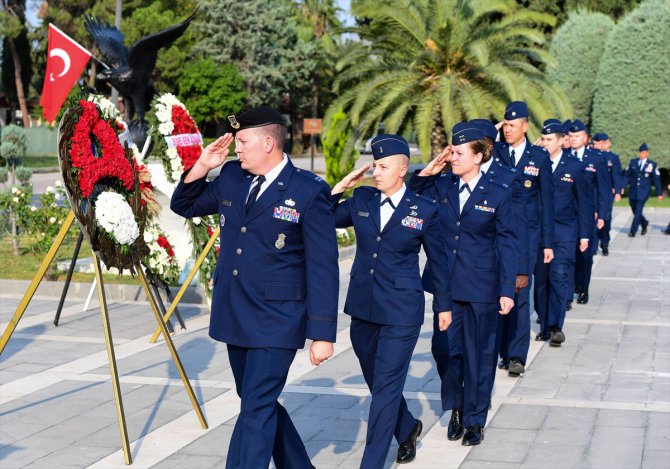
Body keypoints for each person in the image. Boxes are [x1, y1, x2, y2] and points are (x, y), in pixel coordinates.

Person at [170, 106, 339, 469]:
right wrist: (203, 165)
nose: (236, 150)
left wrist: (323, 332)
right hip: (236, 313)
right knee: (254, 399)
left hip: (279, 318)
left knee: (257, 407)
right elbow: (183, 204)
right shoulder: (232, 176)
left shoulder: (308, 191)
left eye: (242, 141)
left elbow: (323, 266)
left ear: (267, 142)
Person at [331, 134, 452, 467]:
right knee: (376, 380)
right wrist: (341, 186)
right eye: (373, 165)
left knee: (385, 388)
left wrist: (444, 305)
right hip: (363, 309)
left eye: (383, 166)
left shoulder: (423, 209)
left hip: (401, 311)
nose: (376, 171)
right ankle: (406, 426)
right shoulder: (361, 200)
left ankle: (371, 463)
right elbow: (324, 219)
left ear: (402, 169)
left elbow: (440, 261)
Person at [411, 122, 517, 446]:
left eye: (458, 153)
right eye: (451, 152)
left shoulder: (498, 190)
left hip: (483, 286)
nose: (452, 157)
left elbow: (508, 241)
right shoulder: (441, 186)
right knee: (444, 349)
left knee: (480, 354)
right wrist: (430, 169)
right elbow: (411, 196)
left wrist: (506, 289)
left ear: (479, 156)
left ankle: (474, 418)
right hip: (446, 285)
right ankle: (455, 404)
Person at [492, 102, 554, 361]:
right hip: (496, 234)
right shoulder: (494, 152)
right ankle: (503, 351)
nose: (507, 130)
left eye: (512, 125)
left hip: (525, 238)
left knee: (519, 290)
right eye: (505, 124)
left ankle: (517, 355)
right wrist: (493, 130)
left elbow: (547, 202)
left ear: (525, 126)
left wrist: (547, 243)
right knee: (497, 291)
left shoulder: (538, 157)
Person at [535, 119, 592, 346]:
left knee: (558, 276)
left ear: (561, 141)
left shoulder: (574, 166)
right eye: (544, 139)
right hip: (539, 231)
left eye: (550, 140)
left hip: (564, 231)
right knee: (540, 281)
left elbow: (584, 203)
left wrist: (585, 235)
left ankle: (555, 325)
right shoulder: (535, 162)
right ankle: (544, 325)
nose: (546, 143)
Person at [566, 119, 609, 305]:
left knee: (585, 255)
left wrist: (602, 214)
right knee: (567, 255)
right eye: (571, 136)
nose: (574, 139)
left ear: (585, 137)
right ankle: (567, 294)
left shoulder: (596, 158)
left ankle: (583, 288)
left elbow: (603, 189)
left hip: (588, 215)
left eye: (577, 136)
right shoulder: (563, 156)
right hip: (566, 215)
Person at [591, 133, 623, 255]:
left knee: (606, 219)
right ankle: (593, 246)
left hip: (606, 194)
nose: (598, 145)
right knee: (592, 220)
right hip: (593, 193)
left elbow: (616, 175)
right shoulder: (590, 156)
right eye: (596, 143)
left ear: (605, 143)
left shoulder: (612, 157)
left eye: (600, 143)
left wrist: (618, 191)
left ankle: (604, 243)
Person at [622, 143, 663, 237]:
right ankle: (644, 222)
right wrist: (622, 187)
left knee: (638, 210)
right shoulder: (633, 162)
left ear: (647, 153)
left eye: (644, 152)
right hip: (633, 191)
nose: (642, 154)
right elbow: (627, 175)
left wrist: (659, 193)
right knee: (634, 209)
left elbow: (656, 179)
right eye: (640, 152)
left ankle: (633, 231)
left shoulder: (652, 164)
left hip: (644, 192)